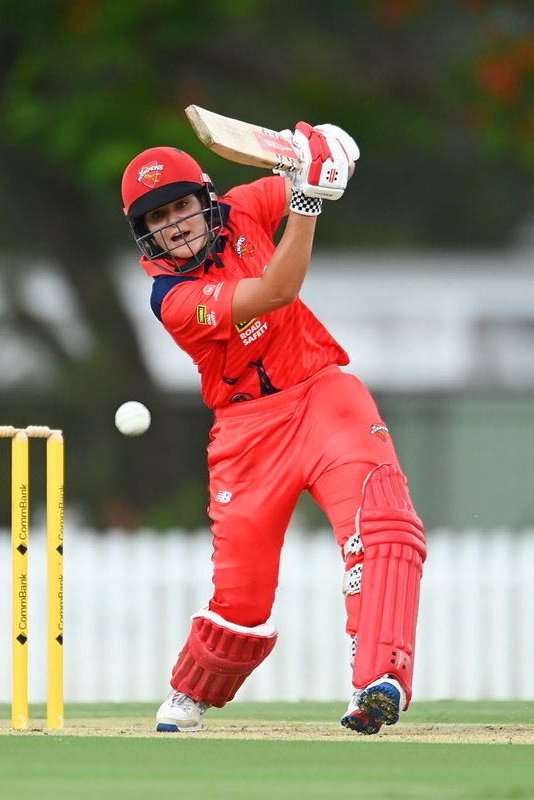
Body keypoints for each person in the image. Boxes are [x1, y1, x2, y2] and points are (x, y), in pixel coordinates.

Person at [120, 123, 426, 735]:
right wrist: (310, 201)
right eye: (158, 218)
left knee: (383, 524)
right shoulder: (172, 297)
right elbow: (280, 288)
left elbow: (315, 174)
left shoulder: (244, 207)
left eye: (182, 205)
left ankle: (379, 679)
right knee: (243, 597)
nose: (175, 224)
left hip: (323, 395)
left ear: (204, 198)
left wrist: (329, 151)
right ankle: (192, 691)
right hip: (247, 432)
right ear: (144, 233)